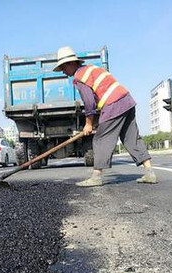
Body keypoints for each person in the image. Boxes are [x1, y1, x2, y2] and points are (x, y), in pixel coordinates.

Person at [53, 46, 157, 187]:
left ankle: (96, 176)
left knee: (101, 139)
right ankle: (150, 173)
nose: (64, 73)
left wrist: (89, 124)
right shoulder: (91, 69)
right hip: (127, 101)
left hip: (113, 104)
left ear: (71, 63)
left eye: (63, 68)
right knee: (131, 138)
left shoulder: (79, 77)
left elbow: (89, 103)